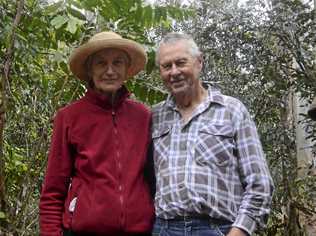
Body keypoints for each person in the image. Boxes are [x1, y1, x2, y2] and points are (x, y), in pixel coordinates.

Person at [151, 32, 274, 236]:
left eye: (181, 63)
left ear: (199, 62)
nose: (174, 72)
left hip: (217, 228)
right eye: (166, 66)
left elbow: (259, 183)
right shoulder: (155, 116)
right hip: (165, 228)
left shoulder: (231, 110)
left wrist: (240, 231)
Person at [39, 31, 155, 236]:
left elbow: (153, 180)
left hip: (139, 231)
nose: (110, 71)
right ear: (90, 69)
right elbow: (53, 190)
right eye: (101, 63)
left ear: (127, 69)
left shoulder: (143, 116)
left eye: (117, 62)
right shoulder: (69, 117)